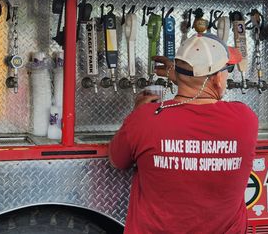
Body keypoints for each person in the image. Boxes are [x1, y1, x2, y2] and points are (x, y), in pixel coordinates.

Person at [109, 33, 258, 234]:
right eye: (227, 69)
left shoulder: (145, 117)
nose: (228, 75)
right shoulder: (245, 119)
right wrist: (183, 77)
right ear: (217, 78)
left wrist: (137, 112)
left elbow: (117, 160)